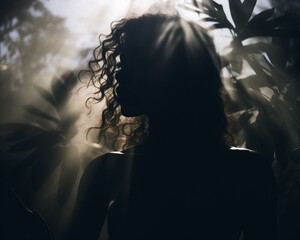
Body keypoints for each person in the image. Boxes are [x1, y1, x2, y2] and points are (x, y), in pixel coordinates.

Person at [65, 14, 278, 240]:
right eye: (124, 62)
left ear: (185, 73)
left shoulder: (246, 171)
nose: (120, 73)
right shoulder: (246, 170)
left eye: (142, 61)